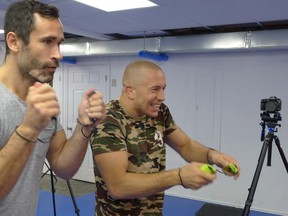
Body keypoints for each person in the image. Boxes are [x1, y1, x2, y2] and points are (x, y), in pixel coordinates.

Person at [90, 60, 240, 215]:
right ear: (130, 91)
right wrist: (178, 176)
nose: (162, 97)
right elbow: (118, 186)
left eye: (163, 88)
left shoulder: (159, 112)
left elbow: (185, 145)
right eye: (155, 89)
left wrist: (213, 156)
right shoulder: (108, 121)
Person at [0, 1, 106, 215]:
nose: (58, 54)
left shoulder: (42, 99)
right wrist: (29, 129)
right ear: (14, 42)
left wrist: (83, 127)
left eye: (59, 43)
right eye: (48, 41)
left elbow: (63, 167)